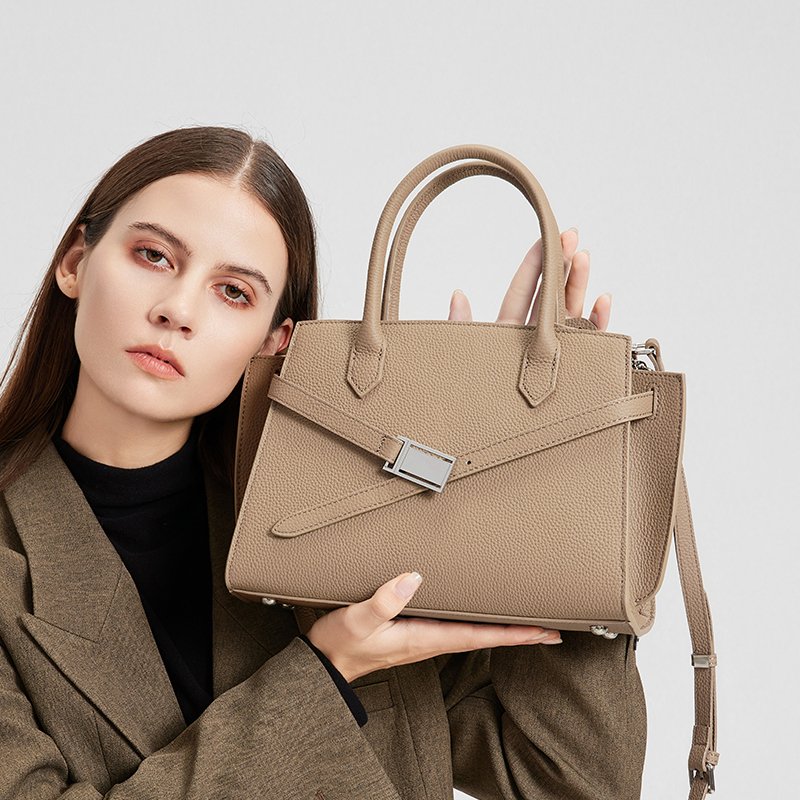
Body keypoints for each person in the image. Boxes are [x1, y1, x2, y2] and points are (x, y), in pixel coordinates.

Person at [0, 126, 646, 799]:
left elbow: (576, 783)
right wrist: (325, 671)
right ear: (76, 260)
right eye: (154, 256)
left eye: (234, 293)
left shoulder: (335, 531)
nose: (177, 310)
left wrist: (548, 480)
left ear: (273, 343)